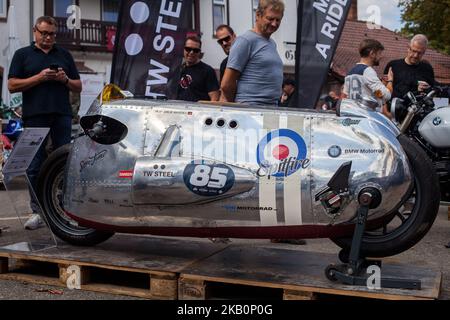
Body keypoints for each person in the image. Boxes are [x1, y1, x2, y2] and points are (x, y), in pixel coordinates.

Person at [8, 16, 82, 230]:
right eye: (44, 33)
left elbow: (78, 86)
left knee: (63, 164)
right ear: (35, 32)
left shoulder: (64, 54)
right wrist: (40, 77)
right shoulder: (23, 55)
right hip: (35, 116)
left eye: (52, 34)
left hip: (61, 115)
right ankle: (37, 211)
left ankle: (63, 209)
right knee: (34, 164)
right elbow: (12, 85)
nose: (48, 37)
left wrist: (64, 80)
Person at [220, 0, 284, 106]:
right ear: (258, 15)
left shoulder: (272, 43)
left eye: (278, 20)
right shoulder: (245, 40)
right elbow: (226, 84)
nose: (274, 24)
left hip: (270, 109)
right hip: (251, 110)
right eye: (270, 18)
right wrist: (236, 107)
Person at [343, 39, 393, 114]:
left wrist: (380, 86)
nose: (381, 56)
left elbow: (346, 96)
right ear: (372, 53)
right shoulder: (367, 71)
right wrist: (390, 81)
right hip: (367, 116)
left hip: (354, 114)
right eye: (379, 53)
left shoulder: (350, 73)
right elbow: (386, 95)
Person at [384, 34, 435, 99]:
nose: (415, 55)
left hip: (419, 108)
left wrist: (428, 89)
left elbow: (433, 91)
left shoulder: (427, 68)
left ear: (424, 52)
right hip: (394, 107)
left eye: (419, 53)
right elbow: (383, 89)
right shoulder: (393, 65)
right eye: (414, 51)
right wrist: (384, 108)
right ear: (408, 48)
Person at [170, 36, 220, 102]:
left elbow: (214, 98)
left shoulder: (207, 71)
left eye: (195, 50)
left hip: (198, 110)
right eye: (188, 49)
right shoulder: (178, 69)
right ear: (183, 49)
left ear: (199, 52)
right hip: (180, 110)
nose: (191, 52)